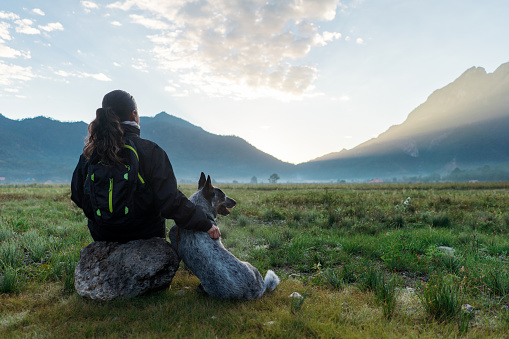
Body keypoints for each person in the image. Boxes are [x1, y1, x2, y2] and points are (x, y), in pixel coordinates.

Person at [71, 89, 220, 242]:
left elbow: (77, 194)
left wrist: (102, 219)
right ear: (134, 114)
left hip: (102, 236)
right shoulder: (151, 151)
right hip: (145, 237)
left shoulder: (91, 153)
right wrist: (204, 223)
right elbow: (170, 201)